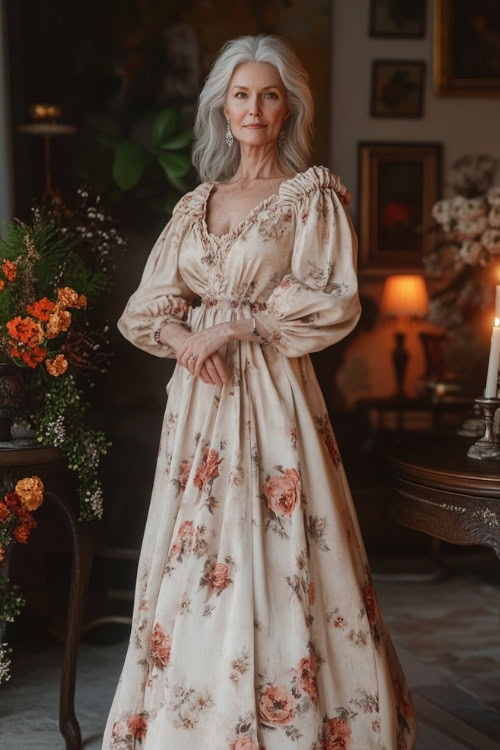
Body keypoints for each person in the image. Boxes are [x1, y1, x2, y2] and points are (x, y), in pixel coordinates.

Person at [102, 33, 417, 750]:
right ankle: (198, 719)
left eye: (268, 95)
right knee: (196, 552)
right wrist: (186, 340)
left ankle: (303, 720)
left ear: (287, 111)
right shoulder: (195, 205)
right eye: (240, 94)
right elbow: (147, 306)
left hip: (274, 399)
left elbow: (333, 302)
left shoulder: (308, 196)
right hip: (199, 409)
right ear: (222, 108)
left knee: (280, 548)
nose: (253, 107)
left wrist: (232, 325)